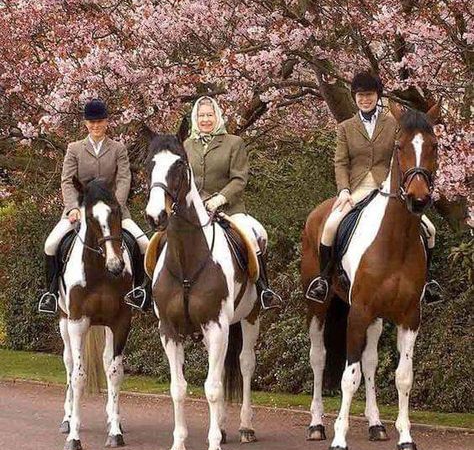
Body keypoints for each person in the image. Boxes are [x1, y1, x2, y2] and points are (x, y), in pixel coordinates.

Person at [306, 71, 442, 304]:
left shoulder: (393, 124)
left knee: (430, 230)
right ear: (355, 98)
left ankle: (427, 282)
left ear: (377, 96)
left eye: (369, 95)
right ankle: (325, 279)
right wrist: (344, 190)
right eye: (360, 95)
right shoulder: (346, 127)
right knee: (330, 226)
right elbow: (341, 162)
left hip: (386, 187)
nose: (365, 99)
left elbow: (404, 154)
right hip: (358, 187)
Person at [38, 99, 150, 314]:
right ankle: (51, 294)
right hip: (80, 209)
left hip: (113, 211)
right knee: (51, 244)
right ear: (86, 124)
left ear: (107, 122)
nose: (96, 126)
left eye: (99, 121)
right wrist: (72, 207)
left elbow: (124, 179)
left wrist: (114, 207)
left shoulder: (118, 149)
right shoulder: (74, 149)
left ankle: (139, 291)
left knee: (144, 243)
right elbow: (67, 180)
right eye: (92, 122)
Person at [183, 96, 283, 310]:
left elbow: (239, 178)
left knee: (251, 236)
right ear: (195, 118)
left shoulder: (233, 143)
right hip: (195, 212)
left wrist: (221, 198)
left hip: (229, 209)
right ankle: (151, 289)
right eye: (201, 116)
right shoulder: (187, 145)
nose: (206, 120)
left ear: (217, 116)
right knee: (164, 237)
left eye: (210, 115)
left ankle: (264, 289)